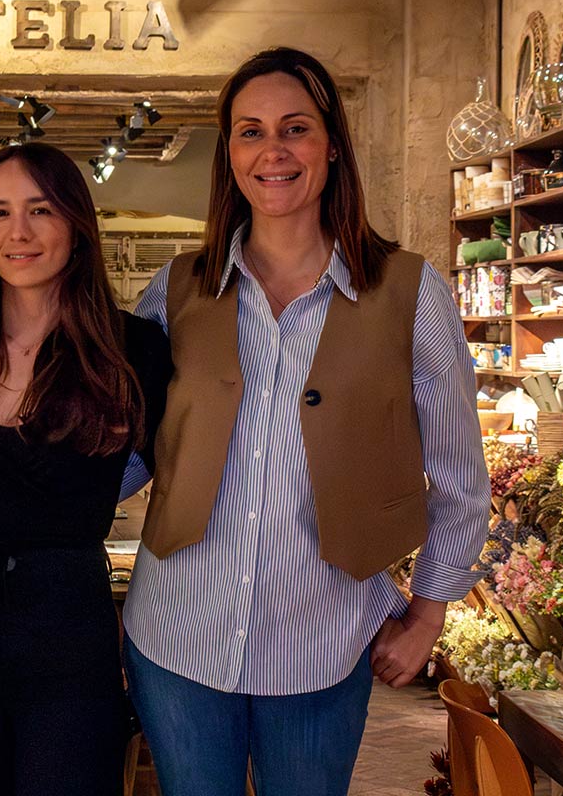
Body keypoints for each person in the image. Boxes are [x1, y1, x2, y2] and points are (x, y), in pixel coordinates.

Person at [120, 47, 489, 796]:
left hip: (324, 638)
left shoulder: (410, 293)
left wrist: (427, 616)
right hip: (176, 634)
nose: (273, 151)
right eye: (250, 132)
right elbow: (124, 450)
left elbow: (458, 475)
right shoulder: (176, 291)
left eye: (295, 128)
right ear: (229, 153)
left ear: (331, 146)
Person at [0, 142, 171, 796]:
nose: (16, 232)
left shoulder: (134, 349)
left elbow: (185, 475)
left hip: (70, 641)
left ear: (76, 226)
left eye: (39, 210)